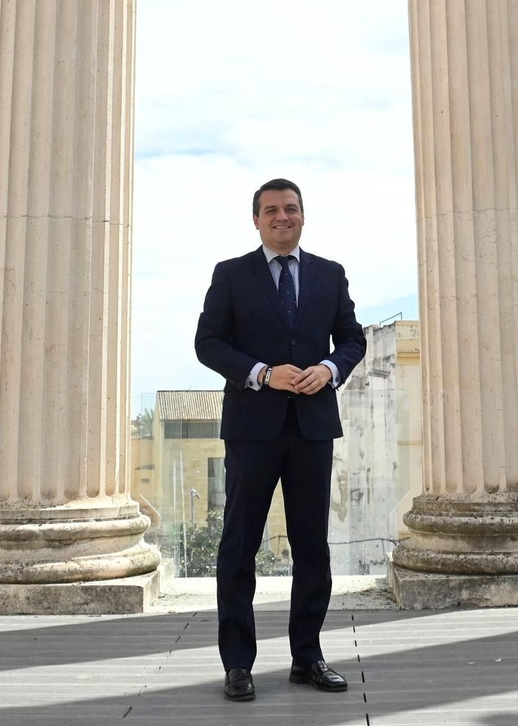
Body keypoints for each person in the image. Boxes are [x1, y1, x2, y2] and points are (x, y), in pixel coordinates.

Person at [194, 178, 366, 703]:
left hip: (312, 427)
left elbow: (353, 339)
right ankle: (238, 665)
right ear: (257, 220)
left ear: (303, 216)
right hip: (252, 429)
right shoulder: (230, 275)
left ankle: (307, 657)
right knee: (239, 546)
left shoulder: (329, 274)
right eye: (272, 210)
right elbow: (207, 343)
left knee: (313, 546)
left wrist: (330, 368)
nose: (282, 217)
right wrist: (262, 372)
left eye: (291, 209)